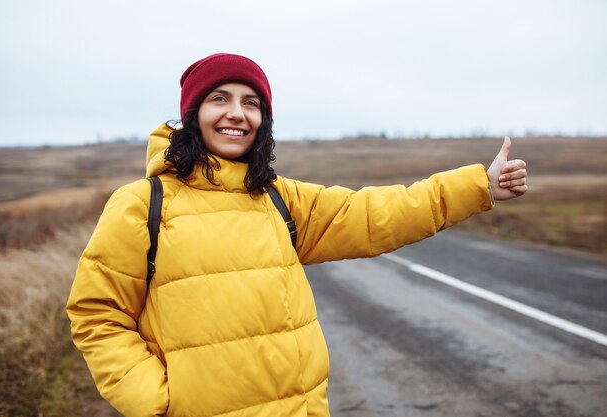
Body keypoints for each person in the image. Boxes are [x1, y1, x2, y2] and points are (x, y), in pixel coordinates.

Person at [66, 53, 528, 417]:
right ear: (193, 114)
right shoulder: (142, 204)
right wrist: (155, 399)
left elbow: (373, 214)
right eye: (219, 99)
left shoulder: (277, 198)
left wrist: (478, 186)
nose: (236, 114)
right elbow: (97, 315)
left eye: (251, 102)